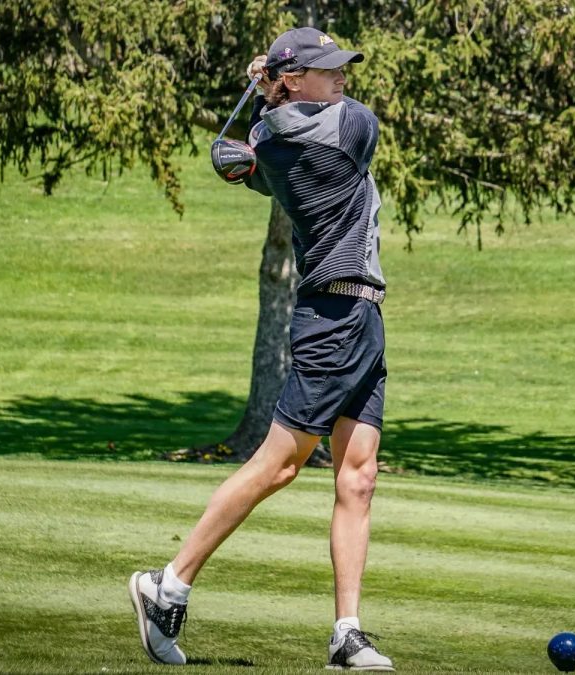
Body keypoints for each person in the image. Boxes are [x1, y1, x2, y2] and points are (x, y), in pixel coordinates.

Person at [128, 26, 393, 672]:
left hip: (360, 315)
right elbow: (367, 123)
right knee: (278, 465)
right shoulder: (343, 129)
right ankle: (168, 585)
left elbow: (249, 159)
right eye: (328, 70)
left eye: (342, 69)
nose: (343, 79)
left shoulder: (276, 133)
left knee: (357, 475)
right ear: (296, 80)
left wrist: (266, 93)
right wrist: (271, 89)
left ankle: (347, 632)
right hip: (333, 315)